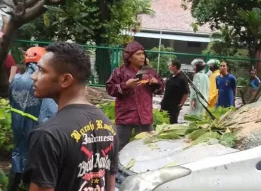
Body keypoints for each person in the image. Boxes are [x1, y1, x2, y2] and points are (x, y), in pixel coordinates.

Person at [25, 42, 118, 191]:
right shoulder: (107, 124)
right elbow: (109, 185)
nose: (33, 76)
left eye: (41, 70)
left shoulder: (48, 134)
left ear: (65, 80)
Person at [7, 47, 58, 191]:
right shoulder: (43, 82)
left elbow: (11, 101)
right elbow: (49, 112)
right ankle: (27, 185)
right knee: (35, 158)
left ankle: (12, 187)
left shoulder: (16, 80)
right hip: (35, 127)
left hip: (18, 124)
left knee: (18, 153)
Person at [106, 41, 164, 151]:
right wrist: (126, 85)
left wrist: (156, 83)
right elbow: (110, 89)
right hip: (125, 116)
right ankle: (115, 167)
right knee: (119, 147)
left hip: (144, 117)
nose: (142, 57)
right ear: (129, 57)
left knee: (146, 148)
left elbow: (160, 89)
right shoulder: (119, 72)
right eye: (138, 54)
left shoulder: (149, 71)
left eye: (143, 53)